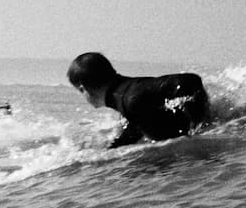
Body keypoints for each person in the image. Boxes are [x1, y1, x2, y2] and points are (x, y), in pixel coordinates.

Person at [66, 52, 211, 148]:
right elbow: (133, 131)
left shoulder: (130, 101)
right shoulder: (126, 98)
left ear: (83, 89)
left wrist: (196, 127)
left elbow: (189, 81)